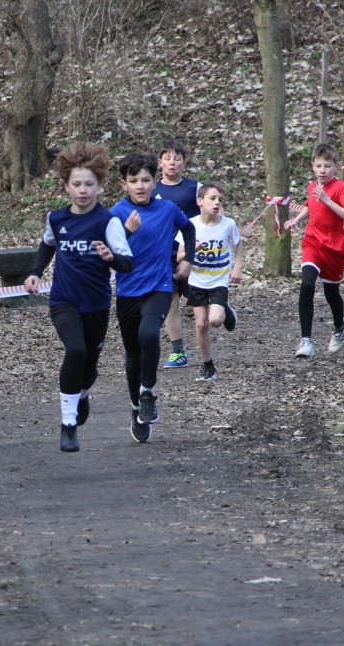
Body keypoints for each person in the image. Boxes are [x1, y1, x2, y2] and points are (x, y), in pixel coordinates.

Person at [24, 142, 134, 453]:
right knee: (74, 350)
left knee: (88, 365)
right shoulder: (57, 219)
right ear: (66, 186)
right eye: (76, 184)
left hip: (96, 305)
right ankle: (68, 424)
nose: (82, 190)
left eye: (89, 184)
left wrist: (110, 257)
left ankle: (83, 393)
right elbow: (47, 246)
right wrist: (35, 272)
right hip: (63, 301)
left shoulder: (107, 222)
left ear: (100, 186)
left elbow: (128, 263)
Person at [110, 152, 195, 443]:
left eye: (145, 180)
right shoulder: (116, 213)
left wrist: (188, 260)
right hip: (126, 292)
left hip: (159, 287)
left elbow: (189, 228)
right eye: (133, 181)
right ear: (124, 185)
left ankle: (149, 391)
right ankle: (137, 408)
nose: (140, 185)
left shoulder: (167, 209)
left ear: (155, 182)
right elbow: (107, 255)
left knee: (149, 334)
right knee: (133, 353)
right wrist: (125, 231)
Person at [284, 142, 344, 357]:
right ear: (312, 166)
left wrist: (328, 201)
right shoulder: (312, 186)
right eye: (319, 166)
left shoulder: (340, 188)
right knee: (307, 284)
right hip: (312, 241)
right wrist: (295, 220)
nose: (322, 170)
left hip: (334, 248)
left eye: (327, 166)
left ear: (336, 167)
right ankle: (306, 341)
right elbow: (310, 204)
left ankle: (339, 327)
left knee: (331, 293)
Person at [175, 183, 242, 381]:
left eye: (219, 200)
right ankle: (208, 366)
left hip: (219, 278)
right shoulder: (190, 225)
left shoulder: (228, 224)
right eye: (212, 198)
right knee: (201, 324)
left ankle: (225, 310)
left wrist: (237, 267)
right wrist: (191, 250)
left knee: (215, 321)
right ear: (200, 202)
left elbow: (238, 244)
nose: (216, 203)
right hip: (197, 280)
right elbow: (179, 255)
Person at [154, 139, 203, 370]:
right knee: (171, 304)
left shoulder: (195, 188)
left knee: (199, 304)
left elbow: (216, 210)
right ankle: (178, 352)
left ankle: (223, 307)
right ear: (159, 162)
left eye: (177, 158)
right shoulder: (152, 190)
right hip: (166, 254)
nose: (172, 163)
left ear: (184, 163)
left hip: (194, 252)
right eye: (168, 158)